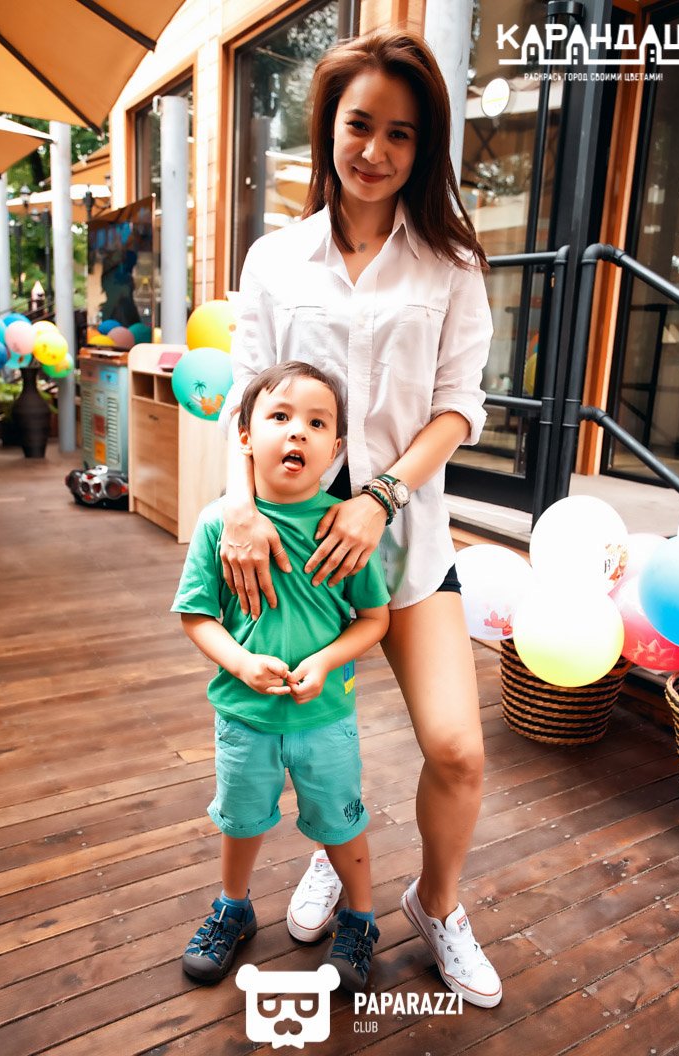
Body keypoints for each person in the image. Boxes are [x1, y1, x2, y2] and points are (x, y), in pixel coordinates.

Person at [218, 29, 502, 1008]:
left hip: (405, 541)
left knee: (457, 750)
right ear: (327, 128)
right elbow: (242, 404)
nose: (374, 151)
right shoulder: (274, 260)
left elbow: (457, 408)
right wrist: (239, 509)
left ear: (424, 148)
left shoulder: (450, 264)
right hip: (294, 551)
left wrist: (381, 498)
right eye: (358, 125)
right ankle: (334, 854)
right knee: (305, 733)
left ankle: (435, 904)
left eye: (400, 133)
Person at [173, 361, 390, 992]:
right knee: (240, 819)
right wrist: (241, 663)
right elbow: (196, 615)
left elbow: (373, 620)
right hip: (245, 717)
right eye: (280, 417)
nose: (298, 432)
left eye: (317, 424)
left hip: (326, 718)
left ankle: (360, 917)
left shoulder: (344, 527)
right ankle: (233, 907)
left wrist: (326, 661)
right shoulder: (219, 523)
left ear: (336, 448)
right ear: (244, 435)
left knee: (341, 820)